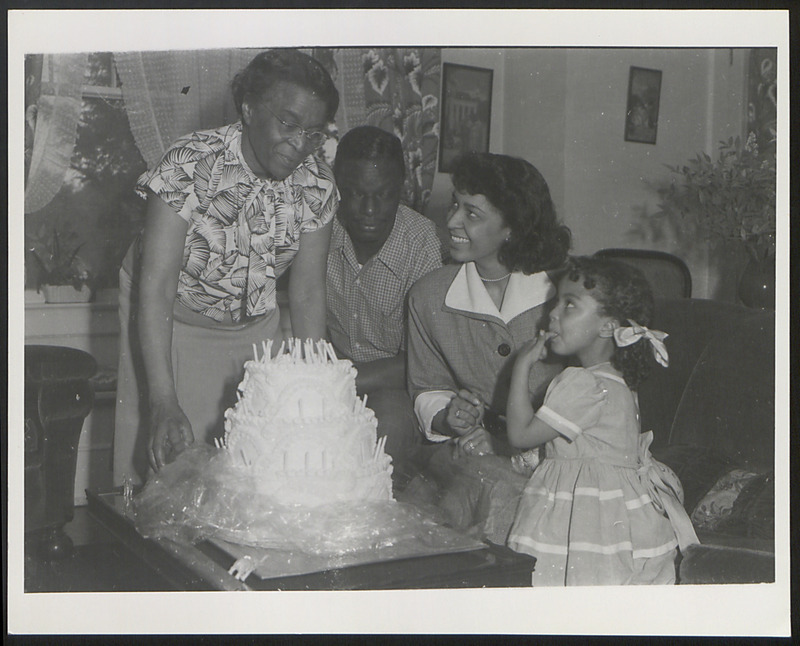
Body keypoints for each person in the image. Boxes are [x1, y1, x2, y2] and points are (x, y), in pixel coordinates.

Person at [113, 49, 339, 484]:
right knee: (166, 467)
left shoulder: (317, 183)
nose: (299, 145)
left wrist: (319, 390)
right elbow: (156, 285)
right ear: (249, 109)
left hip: (252, 328)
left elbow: (308, 292)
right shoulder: (191, 162)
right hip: (169, 319)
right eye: (288, 124)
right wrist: (162, 399)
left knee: (246, 471)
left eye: (314, 133)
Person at [404, 152, 570, 541]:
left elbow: (588, 396)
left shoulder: (564, 294)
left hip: (557, 453)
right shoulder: (428, 297)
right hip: (475, 451)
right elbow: (428, 385)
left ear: (512, 227)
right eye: (454, 206)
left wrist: (502, 445)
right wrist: (450, 415)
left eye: (472, 214)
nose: (451, 222)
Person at [505, 256, 698, 586]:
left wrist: (520, 366)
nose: (552, 313)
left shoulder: (581, 382)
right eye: (555, 301)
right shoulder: (617, 381)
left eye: (569, 305)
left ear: (609, 326)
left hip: (589, 517)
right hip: (619, 513)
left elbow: (520, 434)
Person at [327, 125, 444, 466]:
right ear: (336, 189)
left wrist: (342, 379)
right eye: (355, 194)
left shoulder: (424, 246)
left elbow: (424, 361)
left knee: (382, 426)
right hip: (332, 379)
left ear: (402, 191)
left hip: (399, 390)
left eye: (384, 195)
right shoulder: (319, 227)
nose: (368, 210)